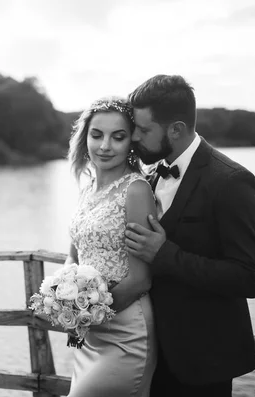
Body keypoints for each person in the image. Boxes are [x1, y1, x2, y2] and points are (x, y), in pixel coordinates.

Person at [124, 75, 255, 397]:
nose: (134, 137)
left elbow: (250, 277)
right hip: (148, 355)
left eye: (144, 130)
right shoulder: (147, 178)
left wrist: (164, 255)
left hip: (204, 363)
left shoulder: (232, 182)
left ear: (175, 129)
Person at [65, 96, 158, 397]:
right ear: (85, 137)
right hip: (88, 332)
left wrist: (87, 316)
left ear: (131, 141)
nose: (105, 146)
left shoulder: (136, 190)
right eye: (97, 135)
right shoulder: (86, 189)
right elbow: (73, 256)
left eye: (117, 137)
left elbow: (142, 278)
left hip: (126, 332)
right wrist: (63, 298)